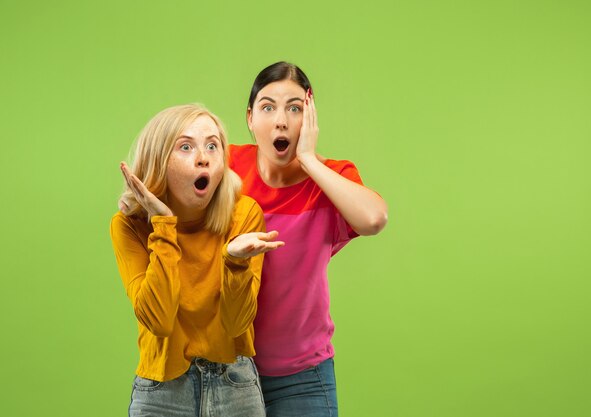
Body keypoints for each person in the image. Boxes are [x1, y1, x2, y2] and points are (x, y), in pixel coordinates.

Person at [229, 62, 388, 417]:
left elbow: (374, 219)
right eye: (268, 107)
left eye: (295, 108)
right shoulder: (226, 166)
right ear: (250, 118)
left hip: (303, 378)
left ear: (310, 118)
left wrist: (308, 160)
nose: (281, 120)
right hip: (227, 371)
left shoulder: (332, 178)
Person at [110, 103, 283, 417]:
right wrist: (163, 225)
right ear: (157, 159)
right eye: (186, 146)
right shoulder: (129, 225)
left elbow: (236, 324)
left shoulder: (243, 215)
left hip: (235, 386)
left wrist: (234, 262)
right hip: (161, 392)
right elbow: (159, 321)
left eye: (213, 145)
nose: (203, 156)